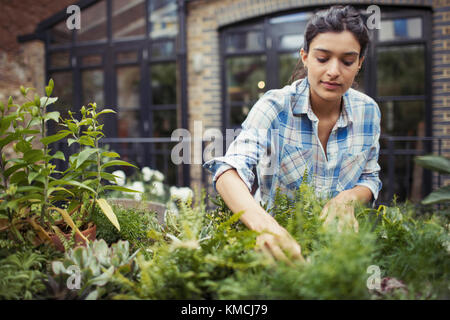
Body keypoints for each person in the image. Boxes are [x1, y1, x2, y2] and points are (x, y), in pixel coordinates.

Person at [203, 5, 382, 263]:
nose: (334, 71)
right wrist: (264, 225)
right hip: (280, 253)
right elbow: (228, 171)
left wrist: (349, 198)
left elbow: (370, 177)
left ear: (359, 64)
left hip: (341, 255)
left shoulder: (369, 112)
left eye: (347, 61)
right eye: (322, 58)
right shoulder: (274, 106)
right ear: (305, 57)